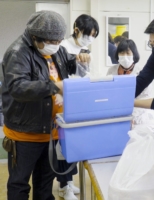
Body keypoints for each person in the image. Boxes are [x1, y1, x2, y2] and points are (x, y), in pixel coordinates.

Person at [2, 10, 87, 200]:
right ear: (35, 38)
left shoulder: (58, 50)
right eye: (52, 42)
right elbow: (18, 87)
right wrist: (54, 87)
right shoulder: (17, 53)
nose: (56, 45)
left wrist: (78, 60)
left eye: (59, 41)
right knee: (19, 184)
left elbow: (66, 66)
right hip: (25, 134)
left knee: (44, 185)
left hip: (51, 132)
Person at [56, 14, 99, 200]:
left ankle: (70, 183)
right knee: (62, 144)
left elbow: (84, 76)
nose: (90, 39)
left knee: (73, 144)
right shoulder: (62, 47)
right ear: (76, 30)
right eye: (88, 34)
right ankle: (63, 185)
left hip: (78, 101)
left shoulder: (85, 49)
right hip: (61, 101)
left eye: (93, 36)